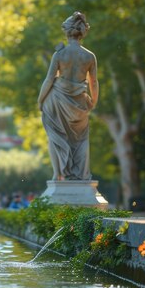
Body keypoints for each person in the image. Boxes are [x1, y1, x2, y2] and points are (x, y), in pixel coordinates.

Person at [37, 12, 98, 181]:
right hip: (80, 102)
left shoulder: (60, 54)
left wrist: (40, 99)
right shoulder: (89, 56)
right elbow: (93, 82)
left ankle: (58, 175)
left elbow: (49, 79)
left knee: (55, 138)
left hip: (57, 101)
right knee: (81, 139)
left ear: (67, 32)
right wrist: (94, 100)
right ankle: (82, 175)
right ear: (83, 32)